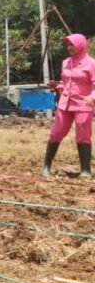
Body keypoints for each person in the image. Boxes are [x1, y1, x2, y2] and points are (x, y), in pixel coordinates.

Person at [43, 34, 95, 178]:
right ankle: (46, 166)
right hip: (65, 104)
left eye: (72, 44)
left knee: (83, 136)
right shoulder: (66, 62)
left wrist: (92, 96)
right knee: (56, 132)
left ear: (81, 45)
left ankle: (85, 170)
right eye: (67, 45)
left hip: (83, 104)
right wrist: (57, 86)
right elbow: (65, 83)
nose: (69, 48)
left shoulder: (91, 63)